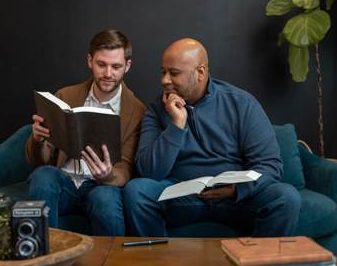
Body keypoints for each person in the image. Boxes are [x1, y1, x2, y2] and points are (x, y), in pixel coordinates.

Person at [122, 38, 301, 237]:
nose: (165, 80)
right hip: (183, 196)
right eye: (163, 72)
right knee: (136, 191)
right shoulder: (156, 110)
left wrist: (237, 190)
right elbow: (149, 172)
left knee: (286, 197)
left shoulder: (241, 103)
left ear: (200, 72)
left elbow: (270, 165)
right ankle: (157, 265)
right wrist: (177, 126)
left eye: (173, 73)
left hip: (236, 199)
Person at [26, 30, 146, 236]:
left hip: (102, 186)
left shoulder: (137, 111)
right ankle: (44, 257)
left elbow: (126, 169)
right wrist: (38, 140)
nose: (108, 73)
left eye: (116, 66)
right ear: (90, 61)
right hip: (65, 183)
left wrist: (107, 175)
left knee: (105, 199)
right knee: (43, 175)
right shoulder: (66, 95)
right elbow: (40, 161)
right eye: (101, 64)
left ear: (127, 66)